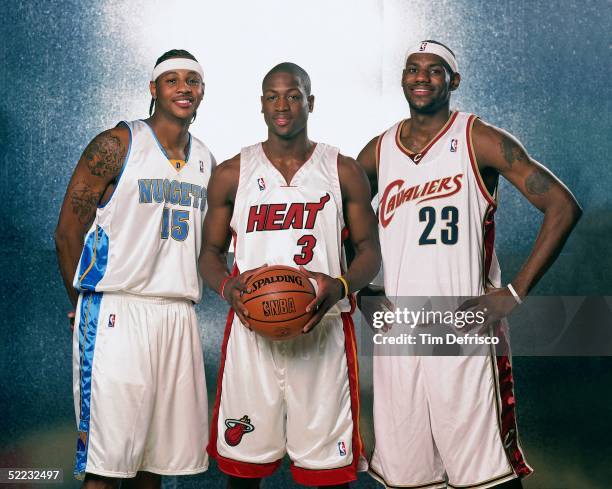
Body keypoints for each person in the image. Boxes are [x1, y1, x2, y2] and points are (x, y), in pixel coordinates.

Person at [357, 40, 581, 489]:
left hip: (463, 332)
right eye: (413, 69)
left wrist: (513, 293)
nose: (422, 77)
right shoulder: (378, 151)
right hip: (400, 334)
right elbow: (342, 221)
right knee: (407, 479)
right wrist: (364, 291)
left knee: (486, 476)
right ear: (402, 78)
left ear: (453, 81)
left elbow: (562, 206)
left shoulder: (478, 139)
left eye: (434, 70)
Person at [199, 62, 381, 488]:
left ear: (310, 102)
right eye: (273, 96)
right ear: (261, 105)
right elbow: (208, 254)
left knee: (326, 478)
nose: (283, 105)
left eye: (294, 95)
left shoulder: (342, 170)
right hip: (251, 338)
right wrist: (228, 288)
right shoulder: (232, 173)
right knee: (243, 474)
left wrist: (338, 286)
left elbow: (370, 253)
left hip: (324, 333)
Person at [55, 49, 214, 488]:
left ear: (202, 91)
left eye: (193, 81)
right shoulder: (118, 143)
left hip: (177, 314)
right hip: (118, 312)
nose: (184, 88)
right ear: (153, 89)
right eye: (172, 80)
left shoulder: (205, 158)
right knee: (107, 466)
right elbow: (68, 232)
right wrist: (83, 304)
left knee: (153, 465)